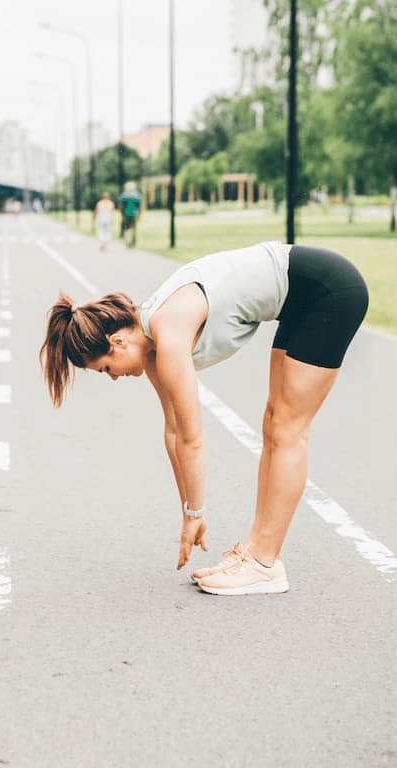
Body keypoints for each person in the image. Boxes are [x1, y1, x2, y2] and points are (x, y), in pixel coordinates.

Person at [40, 242, 367, 595]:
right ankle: (257, 555)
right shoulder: (150, 343)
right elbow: (173, 430)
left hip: (328, 290)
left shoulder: (166, 332)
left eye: (106, 369)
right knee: (274, 423)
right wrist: (188, 512)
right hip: (299, 299)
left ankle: (264, 564)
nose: (114, 377)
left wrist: (196, 512)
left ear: (117, 342)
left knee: (287, 430)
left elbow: (192, 439)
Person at [119, 181, 142, 247]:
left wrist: (122, 215)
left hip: (126, 214)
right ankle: (133, 242)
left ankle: (128, 241)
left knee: (126, 229)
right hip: (134, 214)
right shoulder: (137, 194)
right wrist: (140, 215)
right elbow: (140, 206)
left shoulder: (124, 194)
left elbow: (121, 206)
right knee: (134, 229)